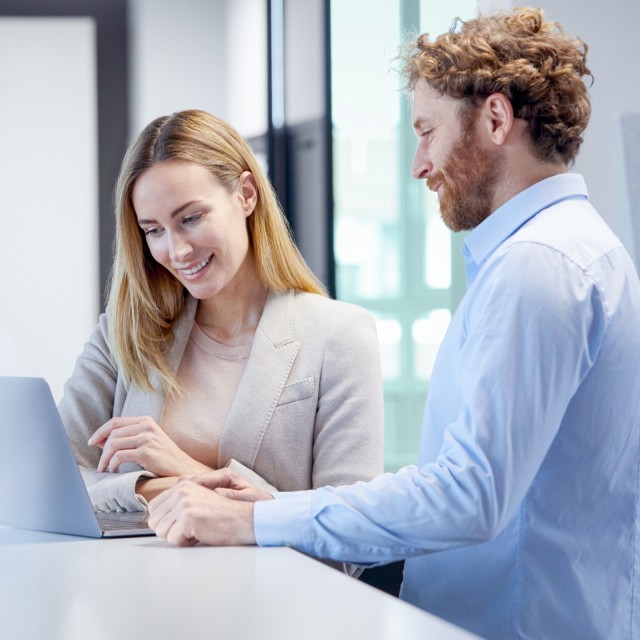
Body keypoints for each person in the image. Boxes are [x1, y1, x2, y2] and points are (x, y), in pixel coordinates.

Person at [147, 7, 640, 639]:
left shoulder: (536, 268)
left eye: (427, 131)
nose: (419, 165)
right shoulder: (579, 249)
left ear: (495, 119)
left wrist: (254, 521)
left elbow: (470, 497)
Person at [58, 110, 384, 546]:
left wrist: (181, 467)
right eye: (153, 230)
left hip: (278, 603)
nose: (176, 250)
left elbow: (353, 534)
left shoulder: (340, 336)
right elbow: (53, 482)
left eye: (191, 218)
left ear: (246, 194)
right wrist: (151, 488)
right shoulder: (123, 335)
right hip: (140, 594)